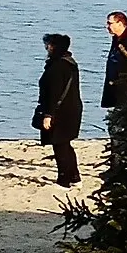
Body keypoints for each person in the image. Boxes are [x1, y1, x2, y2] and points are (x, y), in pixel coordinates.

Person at [35, 33, 83, 186]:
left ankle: (64, 180)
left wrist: (48, 115)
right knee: (65, 144)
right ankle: (75, 177)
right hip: (72, 109)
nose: (46, 48)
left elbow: (54, 94)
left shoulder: (57, 67)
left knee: (60, 145)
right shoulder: (70, 63)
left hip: (61, 111)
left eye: (48, 45)